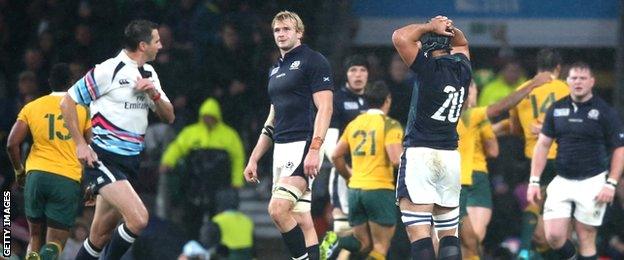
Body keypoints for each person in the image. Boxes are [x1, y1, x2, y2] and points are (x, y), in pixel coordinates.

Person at [60, 20, 175, 260]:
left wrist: (153, 93)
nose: (161, 45)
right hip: (104, 160)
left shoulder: (150, 74)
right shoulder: (108, 70)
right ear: (143, 45)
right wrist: (80, 144)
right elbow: (67, 102)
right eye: (157, 41)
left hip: (130, 164)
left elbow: (169, 117)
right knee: (139, 219)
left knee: (100, 236)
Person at [243, 11, 333, 260]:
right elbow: (272, 120)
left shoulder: (314, 61)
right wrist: (253, 158)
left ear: (299, 33)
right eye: (277, 30)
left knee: (277, 209)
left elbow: (325, 107)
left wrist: (315, 148)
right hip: (281, 148)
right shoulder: (275, 70)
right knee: (301, 219)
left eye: (286, 29)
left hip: (304, 144)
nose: (281, 34)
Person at [391, 15, 471, 259]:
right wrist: (449, 28)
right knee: (449, 234)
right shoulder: (463, 69)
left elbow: (399, 36)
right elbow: (463, 44)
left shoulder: (427, 68)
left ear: (426, 48)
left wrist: (429, 26)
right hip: (449, 157)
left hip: (421, 155)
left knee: (421, 235)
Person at [527, 62, 624, 260]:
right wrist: (534, 181)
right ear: (567, 81)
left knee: (585, 236)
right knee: (552, 237)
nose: (578, 82)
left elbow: (619, 149)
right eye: (574, 78)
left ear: (592, 82)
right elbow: (543, 145)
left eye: (582, 78)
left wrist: (611, 183)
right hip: (562, 179)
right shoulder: (556, 109)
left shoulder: (605, 111)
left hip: (593, 181)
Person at [457, 72, 553, 259]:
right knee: (474, 239)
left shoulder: (448, 117)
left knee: (451, 238)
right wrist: (531, 85)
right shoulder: (475, 115)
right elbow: (493, 149)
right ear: (470, 92)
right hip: (475, 180)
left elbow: (502, 127)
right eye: (474, 88)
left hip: (452, 180)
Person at [6, 63, 91, 260]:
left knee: (34, 237)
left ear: (49, 83)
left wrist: (19, 172)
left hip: (36, 176)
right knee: (55, 244)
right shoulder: (83, 110)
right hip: (66, 178)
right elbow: (90, 149)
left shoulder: (33, 106)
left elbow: (11, 143)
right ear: (72, 83)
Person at [321, 81, 403, 260]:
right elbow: (397, 160)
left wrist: (348, 176)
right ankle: (337, 240)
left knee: (364, 244)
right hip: (379, 190)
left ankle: (337, 240)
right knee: (381, 246)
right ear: (387, 100)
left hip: (355, 191)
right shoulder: (390, 124)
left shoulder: (355, 123)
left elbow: (336, 155)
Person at [509, 48, 569, 259]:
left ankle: (525, 250)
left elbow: (514, 129)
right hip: (560, 155)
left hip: (532, 156)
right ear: (558, 68)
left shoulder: (523, 89)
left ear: (537, 67)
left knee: (534, 204)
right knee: (559, 209)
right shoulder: (565, 88)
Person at [323, 55, 369, 240]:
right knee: (342, 228)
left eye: (362, 70)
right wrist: (342, 167)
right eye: (353, 70)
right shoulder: (337, 100)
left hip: (370, 171)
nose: (358, 75)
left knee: (366, 232)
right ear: (346, 74)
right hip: (345, 170)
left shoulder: (373, 99)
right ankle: (324, 254)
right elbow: (329, 140)